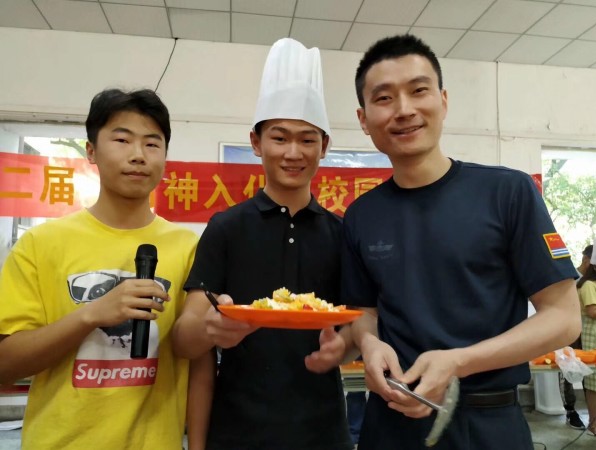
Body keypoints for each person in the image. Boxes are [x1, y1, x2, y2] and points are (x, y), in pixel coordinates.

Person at [341, 34, 581, 449]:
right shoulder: (362, 214)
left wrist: (459, 362)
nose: (404, 109)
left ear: (443, 100)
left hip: (487, 423)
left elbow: (563, 318)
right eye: (384, 98)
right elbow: (363, 310)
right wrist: (368, 341)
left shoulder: (507, 192)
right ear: (364, 119)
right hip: (390, 424)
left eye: (419, 90)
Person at [0, 88, 212, 449]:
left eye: (152, 144)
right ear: (91, 151)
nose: (138, 155)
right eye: (122, 140)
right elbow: (6, 365)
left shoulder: (188, 247)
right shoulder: (40, 244)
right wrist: (91, 314)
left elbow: (198, 361)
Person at [172, 38, 353, 450]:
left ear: (324, 147)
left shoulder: (342, 234)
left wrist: (343, 348)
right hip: (238, 434)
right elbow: (183, 339)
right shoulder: (226, 228)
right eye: (279, 138)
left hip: (323, 434)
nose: (293, 152)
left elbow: (357, 327)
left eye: (307, 139)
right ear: (256, 143)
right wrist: (212, 329)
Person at [559, 244, 593, 430]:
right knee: (567, 371)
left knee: (591, 370)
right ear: (586, 260)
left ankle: (593, 412)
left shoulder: (594, 281)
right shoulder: (569, 277)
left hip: (588, 332)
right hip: (568, 331)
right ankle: (570, 411)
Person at [577, 242, 596, 437]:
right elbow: (592, 312)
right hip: (594, 340)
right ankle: (595, 424)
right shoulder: (588, 286)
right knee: (594, 384)